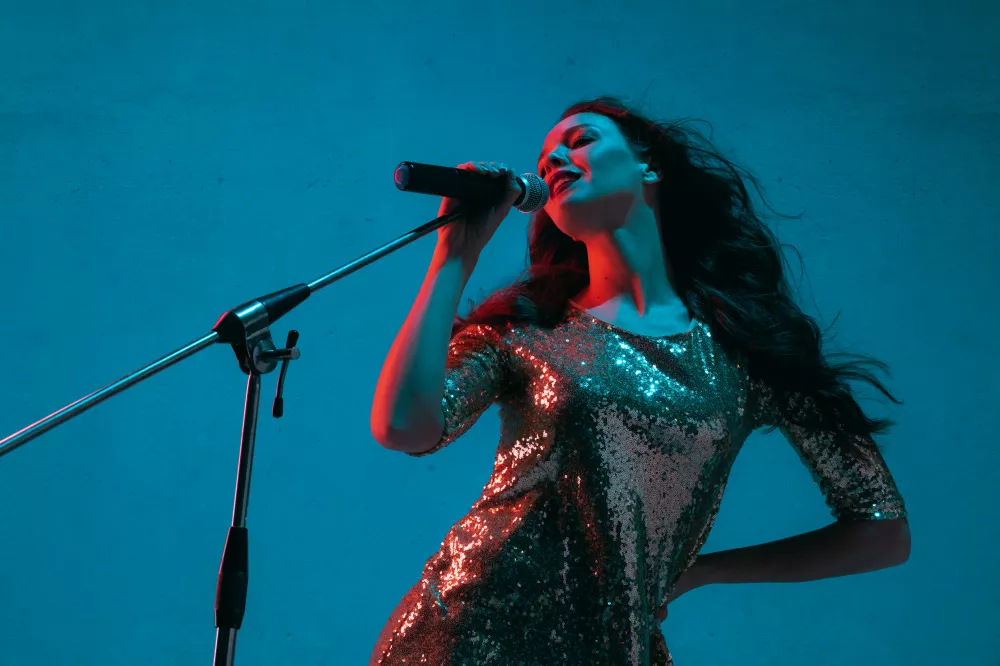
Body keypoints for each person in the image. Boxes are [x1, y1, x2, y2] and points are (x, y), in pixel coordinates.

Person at [368, 96, 910, 665]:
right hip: (460, 635)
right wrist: (453, 257)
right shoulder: (526, 328)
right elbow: (403, 428)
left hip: (612, 647)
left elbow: (882, 531)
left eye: (578, 141)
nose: (553, 160)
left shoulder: (747, 350)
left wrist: (699, 572)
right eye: (545, 157)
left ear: (648, 167)